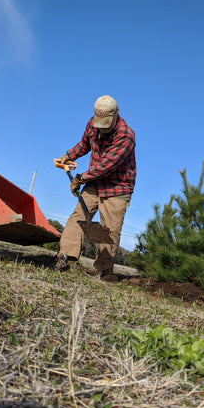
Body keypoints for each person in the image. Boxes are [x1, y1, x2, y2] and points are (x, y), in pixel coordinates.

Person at [54, 95, 136, 276]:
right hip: (94, 182)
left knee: (110, 231)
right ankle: (63, 257)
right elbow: (84, 144)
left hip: (117, 188)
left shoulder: (126, 135)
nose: (102, 128)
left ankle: (104, 272)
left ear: (116, 114)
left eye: (106, 123)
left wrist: (80, 179)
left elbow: (106, 166)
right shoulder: (93, 123)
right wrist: (69, 156)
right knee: (79, 216)